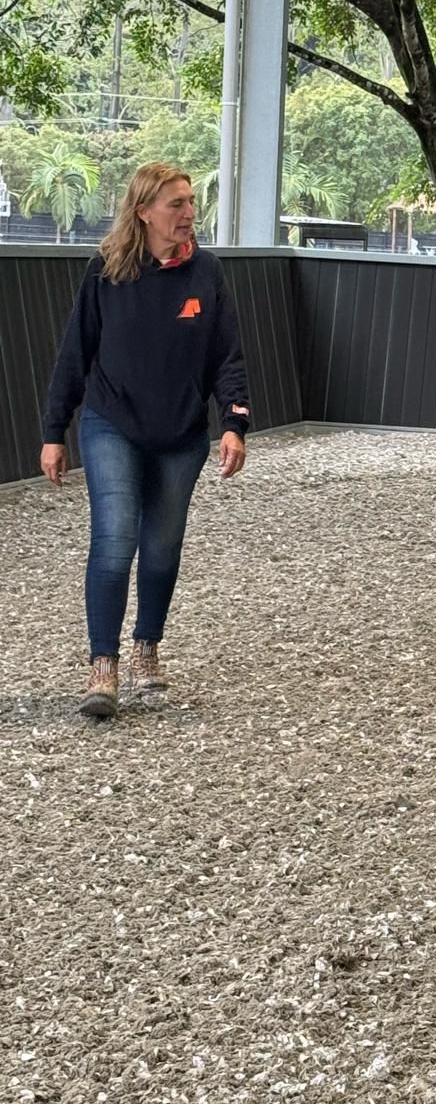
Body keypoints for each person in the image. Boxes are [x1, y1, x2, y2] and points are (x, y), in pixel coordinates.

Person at [39, 163, 250, 720]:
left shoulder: (207, 272)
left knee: (162, 547)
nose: (188, 213)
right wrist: (53, 432)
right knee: (114, 540)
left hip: (181, 435)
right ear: (144, 212)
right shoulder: (104, 273)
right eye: (176, 204)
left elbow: (226, 356)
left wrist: (234, 422)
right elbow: (73, 355)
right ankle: (102, 666)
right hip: (111, 425)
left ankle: (146, 646)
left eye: (189, 203)